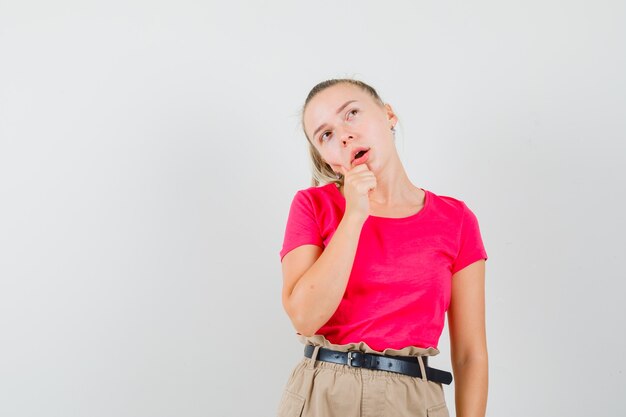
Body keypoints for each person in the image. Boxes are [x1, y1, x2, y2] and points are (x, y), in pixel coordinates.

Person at [277, 79, 488, 417]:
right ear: (328, 160)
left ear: (388, 116)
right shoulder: (312, 206)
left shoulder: (456, 220)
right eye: (326, 135)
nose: (344, 135)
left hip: (412, 399)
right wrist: (355, 215)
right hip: (323, 395)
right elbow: (305, 318)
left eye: (352, 114)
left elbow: (469, 353)